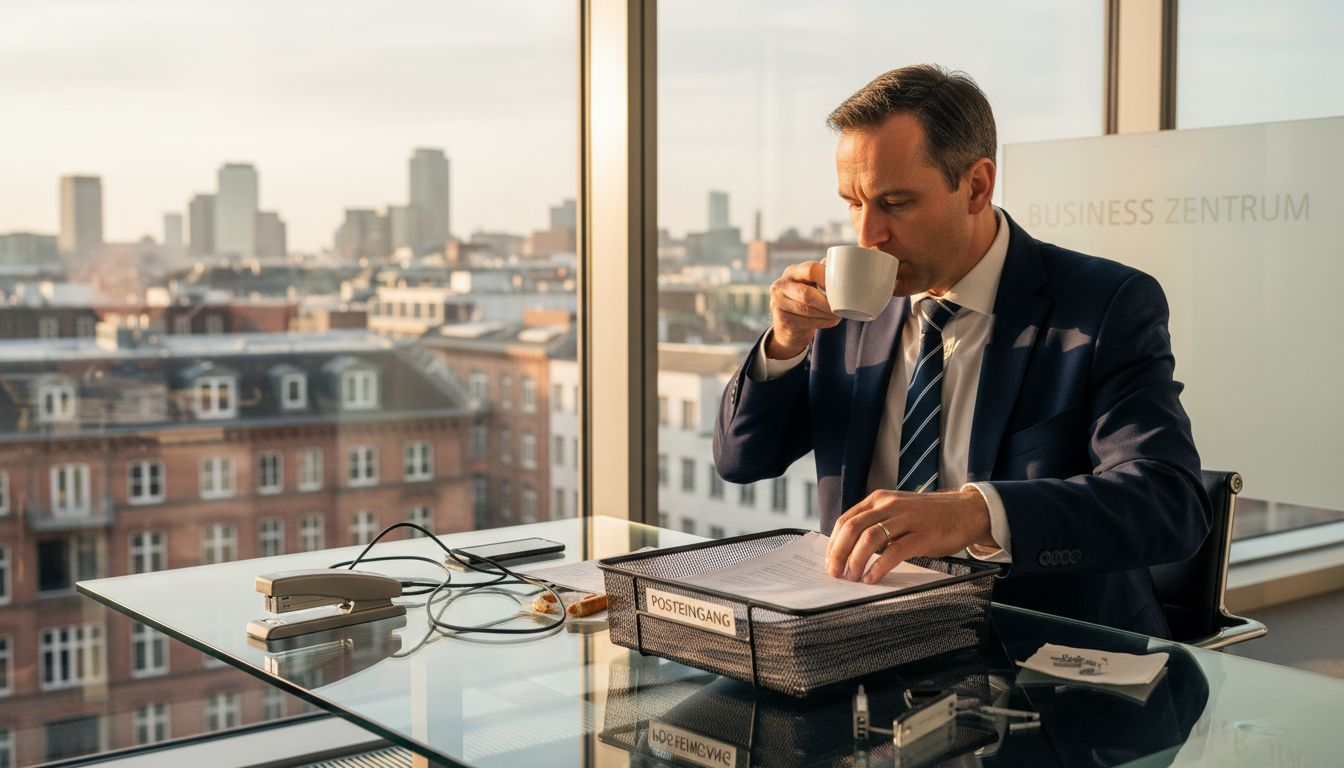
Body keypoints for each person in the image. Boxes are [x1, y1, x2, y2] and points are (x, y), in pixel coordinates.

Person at [712, 64, 1209, 638]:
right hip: (860, 646)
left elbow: (1170, 503)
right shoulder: (844, 312)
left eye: (895, 203)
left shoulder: (1103, 306)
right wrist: (784, 344)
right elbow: (741, 461)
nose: (866, 235)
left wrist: (976, 513)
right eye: (853, 202)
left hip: (1043, 664)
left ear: (976, 186)